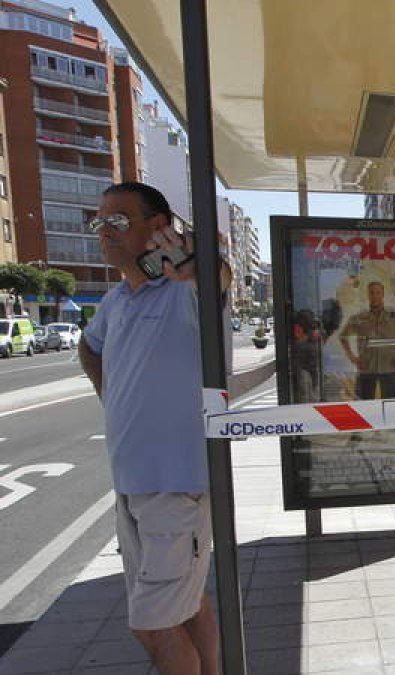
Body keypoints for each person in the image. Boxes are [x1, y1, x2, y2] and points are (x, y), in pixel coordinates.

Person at [78, 182, 230, 675]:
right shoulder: (117, 299)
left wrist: (199, 267)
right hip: (131, 484)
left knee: (151, 623)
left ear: (159, 227)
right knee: (184, 607)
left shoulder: (187, 292)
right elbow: (89, 346)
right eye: (98, 221)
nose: (104, 231)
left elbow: (218, 281)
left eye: (117, 221)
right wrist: (115, 401)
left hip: (177, 485)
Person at [338, 280, 395, 399]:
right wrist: (353, 359)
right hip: (366, 370)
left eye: (378, 293)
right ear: (368, 295)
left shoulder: (394, 316)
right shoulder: (360, 317)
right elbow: (343, 337)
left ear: (383, 294)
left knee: (392, 407)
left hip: (389, 369)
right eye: (372, 293)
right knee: (363, 407)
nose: (375, 296)